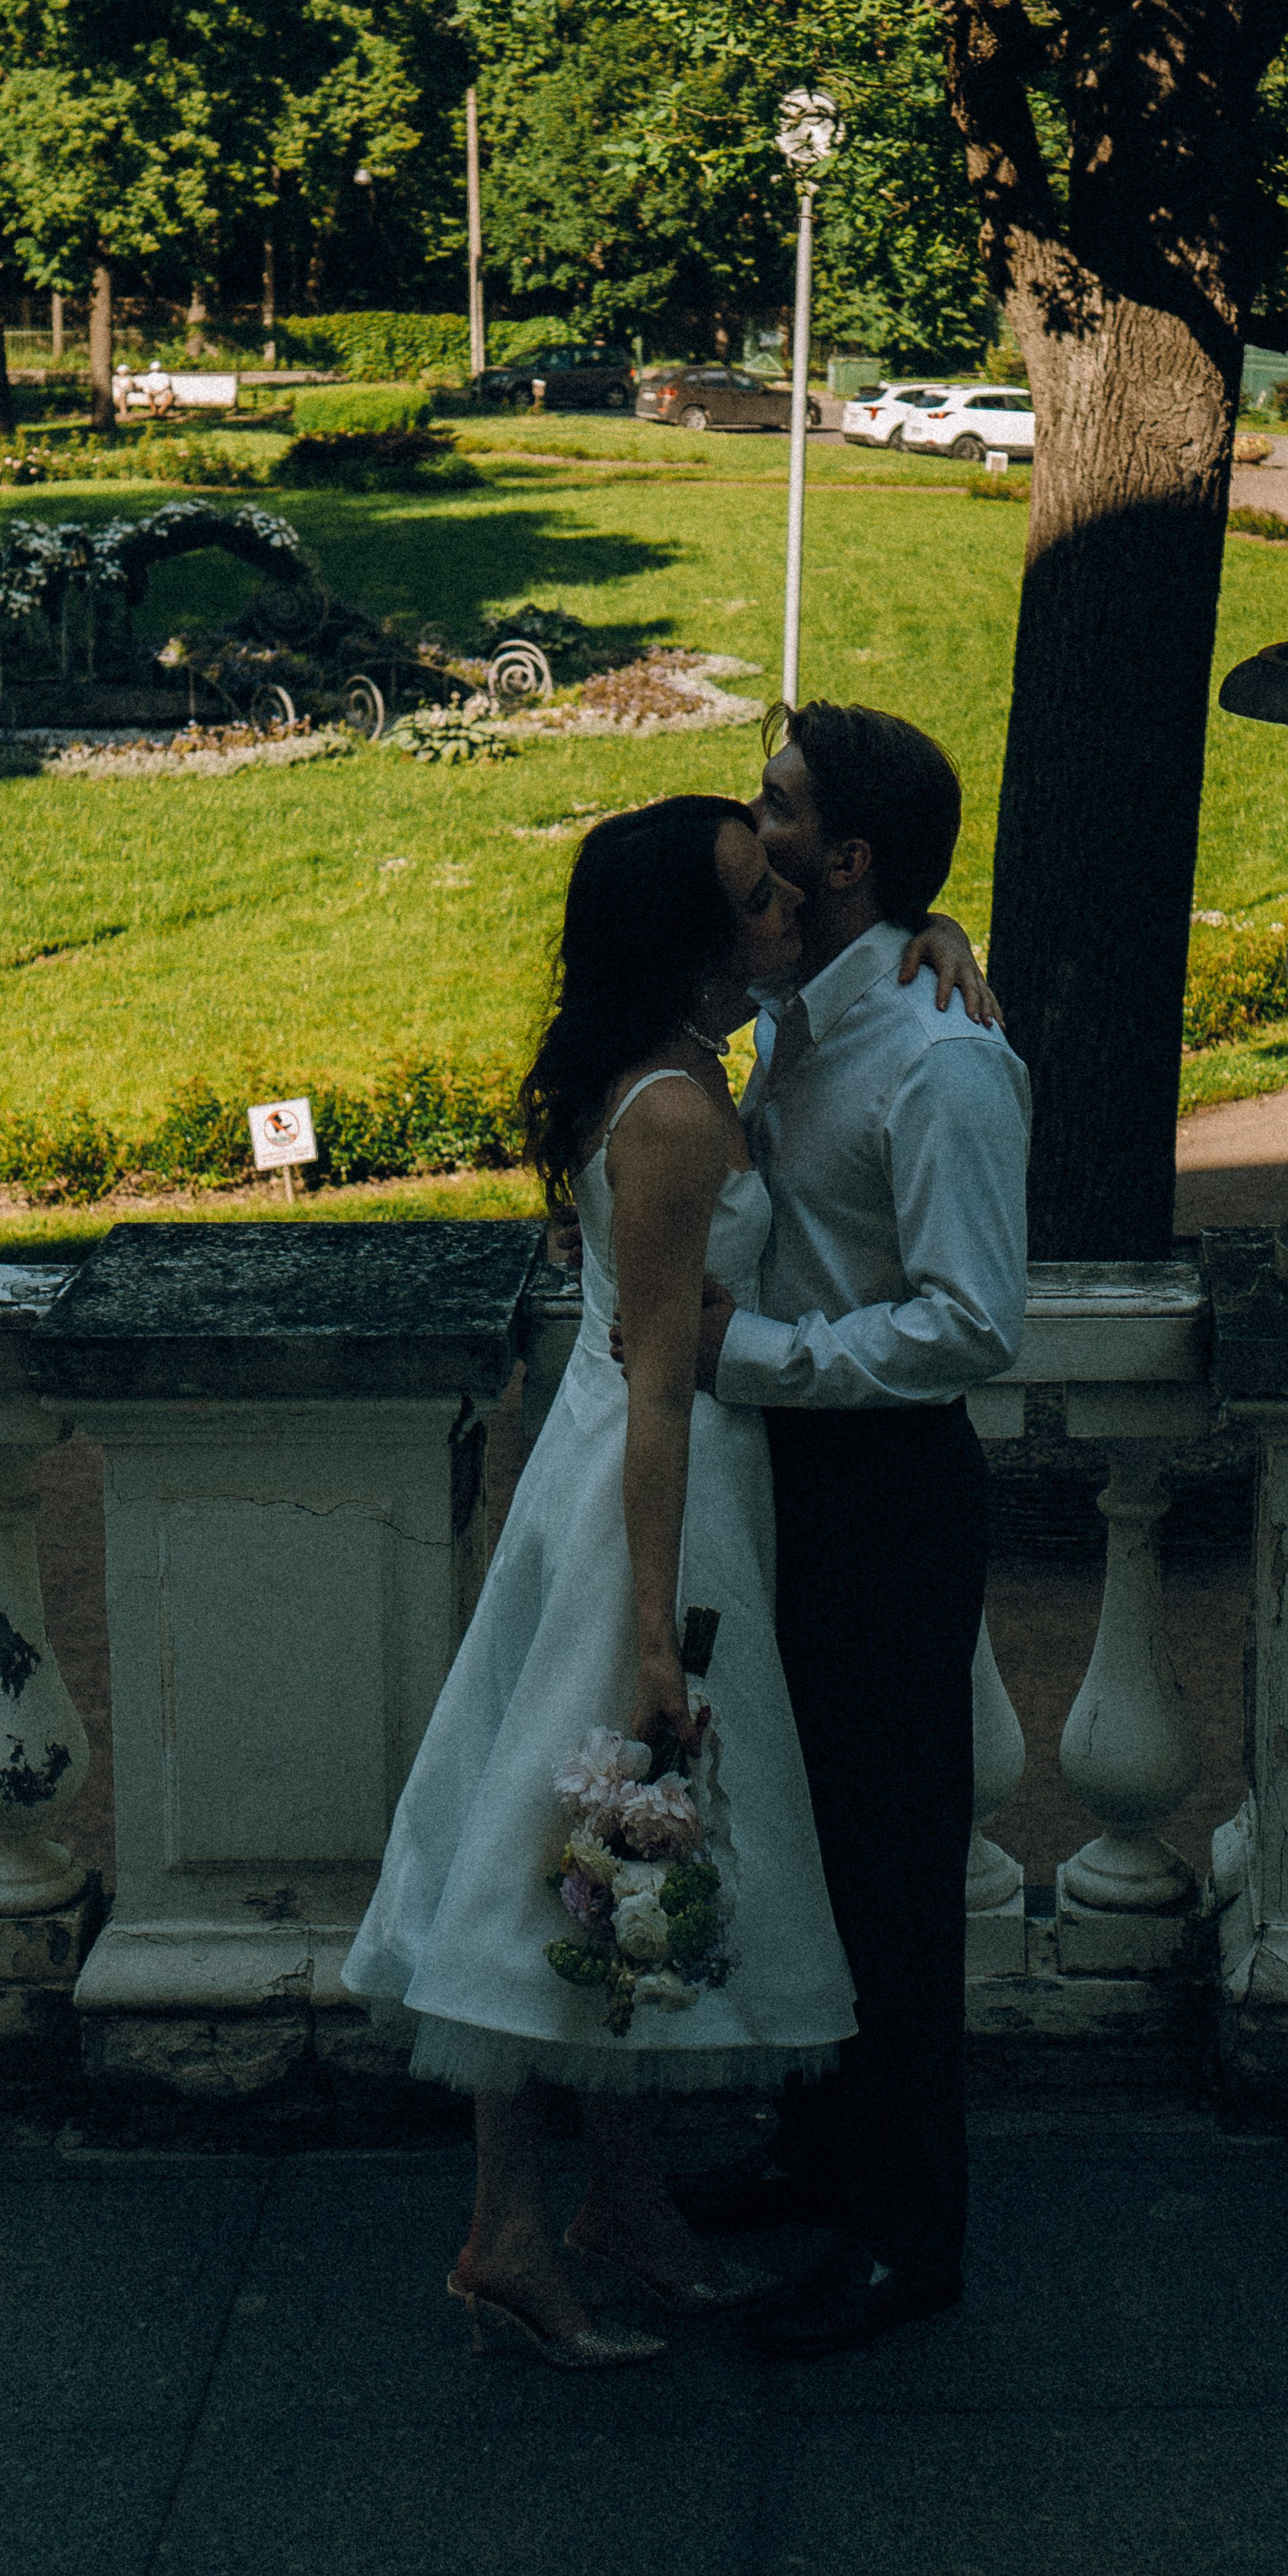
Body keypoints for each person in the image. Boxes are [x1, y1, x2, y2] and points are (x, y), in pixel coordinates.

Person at [342, 794, 863, 2368]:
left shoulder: (685, 1072)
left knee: (592, 1851)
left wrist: (940, 943)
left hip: (625, 1482)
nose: (785, 907)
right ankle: (506, 2230)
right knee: (561, 1847)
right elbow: (654, 1384)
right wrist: (654, 1635)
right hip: (655, 1503)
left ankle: (621, 2204)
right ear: (684, 943)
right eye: (754, 897)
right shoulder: (674, 1117)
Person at [679, 700, 1030, 2360]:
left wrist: (746, 1361)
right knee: (802, 1844)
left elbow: (973, 1325)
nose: (756, 824)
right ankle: (817, 2153)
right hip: (786, 1480)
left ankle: (908, 2236)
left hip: (881, 1494)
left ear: (848, 856)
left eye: (779, 803)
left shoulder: (943, 1061)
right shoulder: (808, 1012)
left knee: (889, 1874)